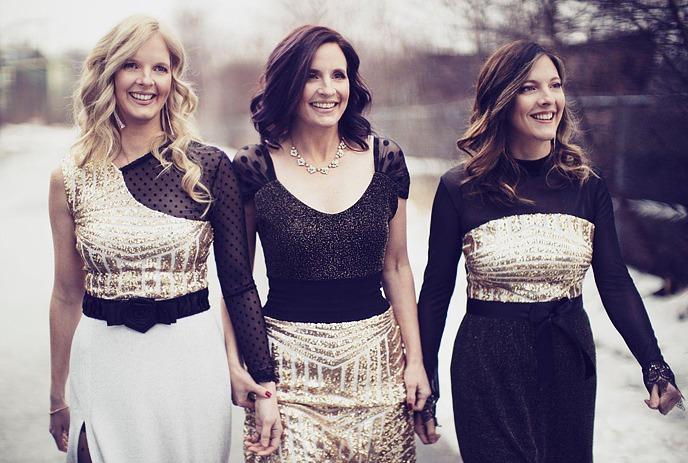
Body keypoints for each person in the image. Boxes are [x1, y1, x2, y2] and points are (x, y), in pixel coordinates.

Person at [415, 40, 684, 462]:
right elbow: (435, 292)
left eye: (555, 85)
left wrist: (653, 362)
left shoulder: (586, 187)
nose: (548, 100)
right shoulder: (459, 189)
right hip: (488, 364)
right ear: (501, 100)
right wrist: (425, 381)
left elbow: (614, 282)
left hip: (567, 359)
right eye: (529, 88)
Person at [47, 15, 279, 462]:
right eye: (131, 65)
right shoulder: (69, 177)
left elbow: (238, 284)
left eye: (160, 68)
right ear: (108, 74)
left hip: (189, 363)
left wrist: (256, 374)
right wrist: (58, 394)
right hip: (102, 365)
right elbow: (64, 293)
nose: (146, 80)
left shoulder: (209, 167)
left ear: (173, 80)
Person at [231, 25, 431, 462]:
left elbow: (397, 266)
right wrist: (247, 372)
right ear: (288, 83)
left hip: (378, 372)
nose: (328, 89)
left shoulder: (385, 159)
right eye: (312, 76)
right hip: (287, 378)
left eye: (338, 76)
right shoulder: (253, 166)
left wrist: (415, 361)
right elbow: (237, 282)